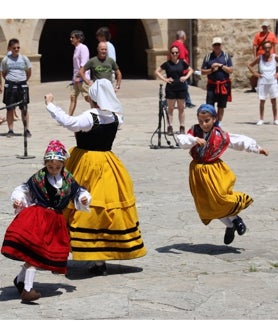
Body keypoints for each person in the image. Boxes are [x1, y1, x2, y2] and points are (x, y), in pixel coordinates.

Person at [44, 79, 147, 276]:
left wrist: (50, 104)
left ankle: (64, 249)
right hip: (108, 164)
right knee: (103, 207)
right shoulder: (117, 117)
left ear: (93, 98)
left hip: (86, 163)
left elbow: (69, 122)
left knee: (77, 205)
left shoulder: (90, 117)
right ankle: (99, 257)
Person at [1, 140, 91, 302]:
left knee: (38, 254)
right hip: (38, 218)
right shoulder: (39, 177)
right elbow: (23, 190)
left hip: (55, 222)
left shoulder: (68, 179)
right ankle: (27, 290)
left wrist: (84, 199)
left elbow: (79, 192)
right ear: (45, 164)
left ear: (63, 164)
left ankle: (20, 280)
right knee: (35, 254)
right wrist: (18, 200)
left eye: (57, 167)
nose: (54, 170)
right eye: (50, 167)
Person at [176, 104, 269, 245]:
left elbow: (239, 141)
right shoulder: (194, 131)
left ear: (214, 119)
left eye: (207, 120)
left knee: (220, 198)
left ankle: (236, 219)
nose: (203, 124)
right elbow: (182, 140)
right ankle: (231, 225)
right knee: (207, 204)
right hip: (198, 172)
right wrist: (194, 140)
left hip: (214, 170)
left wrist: (257, 149)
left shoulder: (220, 135)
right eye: (201, 121)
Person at [155, 45, 193, 135]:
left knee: (181, 108)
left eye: (176, 52)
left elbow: (191, 70)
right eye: (173, 53)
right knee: (170, 108)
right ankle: (170, 126)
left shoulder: (182, 63)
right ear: (170, 54)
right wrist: (165, 79)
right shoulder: (167, 64)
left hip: (181, 87)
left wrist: (186, 77)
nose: (175, 54)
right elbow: (157, 71)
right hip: (171, 88)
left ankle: (182, 126)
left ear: (179, 53)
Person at [0, 38, 32, 137]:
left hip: (22, 85)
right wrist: (10, 80)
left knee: (24, 108)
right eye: (14, 48)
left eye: (18, 47)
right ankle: (10, 130)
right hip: (10, 85)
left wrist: (23, 80)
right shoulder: (6, 59)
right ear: (10, 48)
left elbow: (29, 71)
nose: (17, 49)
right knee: (10, 108)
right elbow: (3, 73)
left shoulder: (24, 58)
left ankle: (26, 129)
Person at [201, 37, 233, 126]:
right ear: (212, 46)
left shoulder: (226, 56)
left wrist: (220, 65)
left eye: (218, 45)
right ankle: (211, 121)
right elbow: (203, 71)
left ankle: (218, 122)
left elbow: (231, 70)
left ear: (221, 45)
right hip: (212, 85)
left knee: (221, 106)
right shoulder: (208, 57)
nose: (217, 46)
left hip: (223, 85)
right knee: (209, 106)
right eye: (215, 45)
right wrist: (211, 70)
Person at [247, 40, 278, 125]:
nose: (267, 49)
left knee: (274, 100)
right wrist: (256, 74)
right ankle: (261, 119)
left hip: (272, 81)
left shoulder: (275, 57)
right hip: (263, 82)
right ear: (263, 48)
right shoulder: (260, 58)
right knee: (262, 100)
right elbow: (249, 65)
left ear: (271, 48)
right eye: (265, 48)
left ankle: (275, 119)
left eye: (269, 47)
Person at [247, 21, 278, 93]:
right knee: (261, 71)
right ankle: (261, 86)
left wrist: (276, 54)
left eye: (266, 27)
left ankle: (271, 85)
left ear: (268, 27)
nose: (264, 28)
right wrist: (255, 56)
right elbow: (255, 46)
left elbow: (275, 45)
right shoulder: (258, 35)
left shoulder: (272, 35)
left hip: (270, 56)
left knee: (271, 70)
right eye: (263, 27)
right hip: (261, 56)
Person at [170, 30, 195, 108]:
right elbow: (182, 59)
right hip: (181, 70)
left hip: (174, 68)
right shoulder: (180, 45)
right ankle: (187, 102)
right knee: (183, 86)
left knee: (179, 86)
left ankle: (187, 102)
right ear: (183, 37)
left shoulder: (173, 44)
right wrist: (188, 68)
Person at [68, 30, 90, 116]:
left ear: (78, 38)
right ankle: (69, 117)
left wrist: (78, 77)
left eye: (72, 37)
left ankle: (99, 110)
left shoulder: (83, 48)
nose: (71, 39)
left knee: (88, 98)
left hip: (82, 78)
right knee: (72, 97)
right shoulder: (76, 49)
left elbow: (83, 64)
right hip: (76, 78)